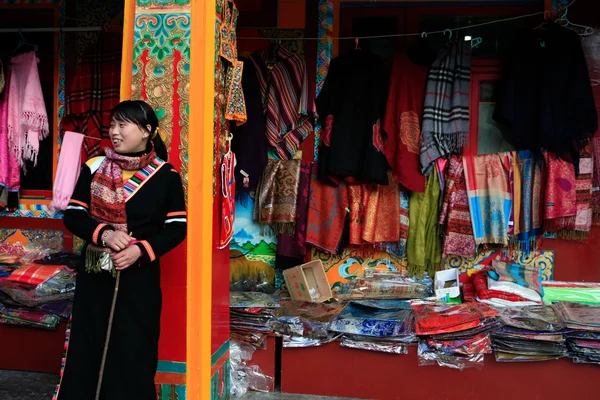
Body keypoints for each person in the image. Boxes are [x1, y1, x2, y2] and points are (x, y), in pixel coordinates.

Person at [56, 100, 187, 399]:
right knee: (90, 344)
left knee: (133, 347)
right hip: (96, 277)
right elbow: (74, 215)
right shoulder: (94, 167)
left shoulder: (166, 176)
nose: (114, 131)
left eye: (122, 125)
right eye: (112, 125)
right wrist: (103, 234)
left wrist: (140, 250)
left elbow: (177, 228)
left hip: (138, 280)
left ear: (146, 131)